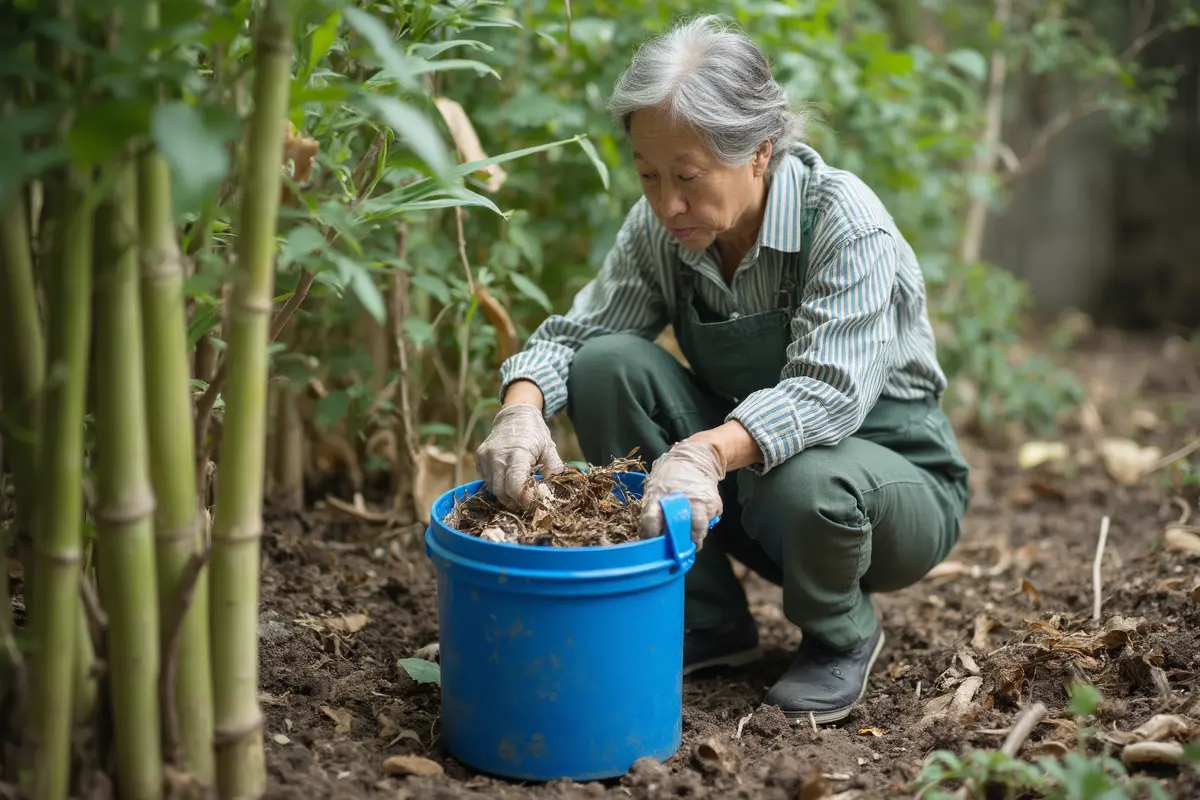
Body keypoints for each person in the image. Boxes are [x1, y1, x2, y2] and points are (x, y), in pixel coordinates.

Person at [474, 14, 970, 725]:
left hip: (889, 491)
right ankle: (707, 620)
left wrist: (705, 451)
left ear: (760, 152)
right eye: (648, 175)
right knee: (607, 364)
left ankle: (840, 634)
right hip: (753, 482)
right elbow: (583, 333)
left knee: (804, 480)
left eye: (688, 177)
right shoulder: (665, 230)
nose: (666, 202)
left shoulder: (844, 223)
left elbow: (828, 393)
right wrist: (521, 406)